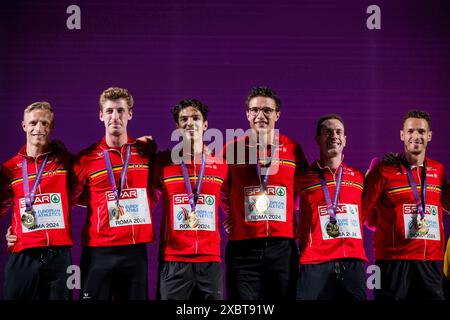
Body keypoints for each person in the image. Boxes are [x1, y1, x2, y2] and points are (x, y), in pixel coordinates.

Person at [220, 86, 308, 300]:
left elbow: (304, 188)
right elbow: (221, 189)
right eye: (255, 110)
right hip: (243, 247)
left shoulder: (293, 148)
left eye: (267, 110)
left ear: (277, 114)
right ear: (247, 114)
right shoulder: (231, 149)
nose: (261, 115)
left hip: (282, 247)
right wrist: (233, 214)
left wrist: (291, 214)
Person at [71, 87, 155, 300]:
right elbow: (68, 199)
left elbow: (156, 189)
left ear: (130, 114)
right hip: (98, 251)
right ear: (101, 115)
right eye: (109, 111)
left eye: (120, 110)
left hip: (135, 251)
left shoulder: (145, 154)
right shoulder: (86, 159)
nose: (115, 117)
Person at [362, 109, 446, 300]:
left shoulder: (439, 170)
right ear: (402, 134)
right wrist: (389, 227)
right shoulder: (383, 170)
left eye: (421, 132)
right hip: (391, 262)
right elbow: (363, 212)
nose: (416, 136)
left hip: (429, 261)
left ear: (430, 136)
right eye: (410, 131)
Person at [151, 99, 228, 300]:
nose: (189, 123)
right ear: (177, 126)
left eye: (196, 118)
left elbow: (232, 197)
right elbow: (146, 196)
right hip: (173, 259)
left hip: (210, 259)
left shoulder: (220, 164)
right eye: (183, 119)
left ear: (205, 125)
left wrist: (235, 218)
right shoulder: (163, 163)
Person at [0, 102, 73, 300]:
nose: (38, 128)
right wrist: (13, 229)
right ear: (24, 125)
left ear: (52, 126)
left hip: (59, 256)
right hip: (23, 254)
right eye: (33, 123)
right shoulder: (9, 169)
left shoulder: (65, 162)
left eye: (44, 123)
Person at [295, 114, 367, 300]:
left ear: (344, 140)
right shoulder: (302, 178)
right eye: (327, 132)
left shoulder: (359, 178)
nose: (333, 136)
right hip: (315, 262)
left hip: (352, 262)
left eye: (338, 132)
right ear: (317, 138)